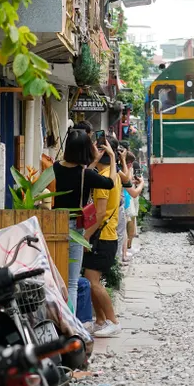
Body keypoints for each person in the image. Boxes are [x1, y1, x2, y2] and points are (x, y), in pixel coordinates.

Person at [53, 130, 116, 308]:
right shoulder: (86, 175)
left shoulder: (56, 167)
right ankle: (71, 327)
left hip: (54, 224)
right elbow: (110, 183)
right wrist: (111, 157)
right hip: (74, 228)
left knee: (56, 276)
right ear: (85, 150)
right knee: (72, 281)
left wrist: (94, 160)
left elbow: (75, 175)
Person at [84, 135, 123, 337]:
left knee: (93, 281)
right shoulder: (112, 174)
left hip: (102, 237)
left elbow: (99, 215)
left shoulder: (101, 182)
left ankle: (113, 321)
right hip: (108, 236)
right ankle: (100, 320)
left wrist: (85, 237)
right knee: (91, 280)